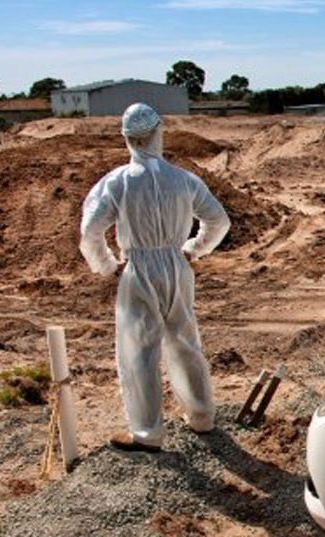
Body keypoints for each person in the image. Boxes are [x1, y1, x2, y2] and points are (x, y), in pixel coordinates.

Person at [80, 103, 231, 452]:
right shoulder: (183, 179)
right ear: (159, 133)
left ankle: (148, 433)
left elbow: (90, 231)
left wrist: (106, 265)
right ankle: (202, 416)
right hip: (177, 266)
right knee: (185, 340)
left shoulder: (117, 182)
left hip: (138, 268)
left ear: (129, 139)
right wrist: (193, 249)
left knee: (139, 351)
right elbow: (219, 221)